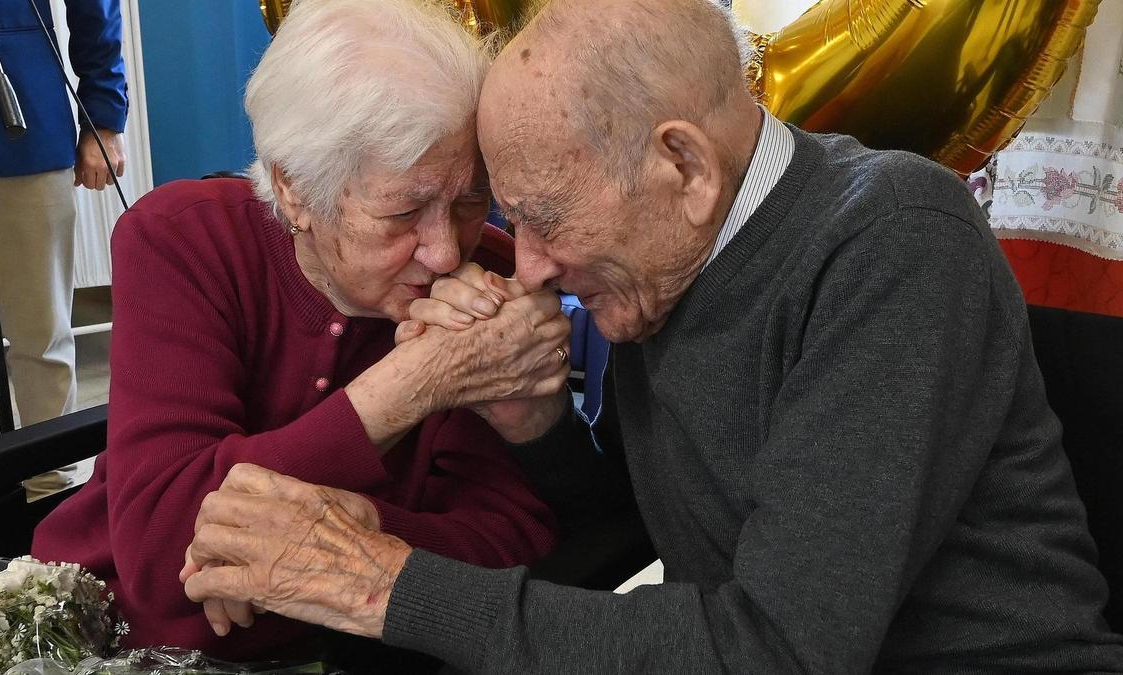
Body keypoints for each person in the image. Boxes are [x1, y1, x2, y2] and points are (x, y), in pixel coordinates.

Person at [182, 0, 1123, 672]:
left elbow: (778, 647)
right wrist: (536, 421)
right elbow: (665, 512)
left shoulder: (892, 240)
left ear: (685, 165)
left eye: (545, 217)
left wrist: (381, 586)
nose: (533, 263)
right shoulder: (668, 254)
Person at [32, 0, 563, 662]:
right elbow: (160, 559)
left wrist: (356, 536)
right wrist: (411, 385)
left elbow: (518, 545)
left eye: (468, 201)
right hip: (95, 631)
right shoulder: (183, 239)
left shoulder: (485, 279)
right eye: (403, 212)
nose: (446, 252)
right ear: (294, 189)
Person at [0, 0, 127, 495]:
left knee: (42, 328)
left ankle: (52, 491)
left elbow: (94, 6)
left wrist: (103, 116)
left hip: (20, 111)